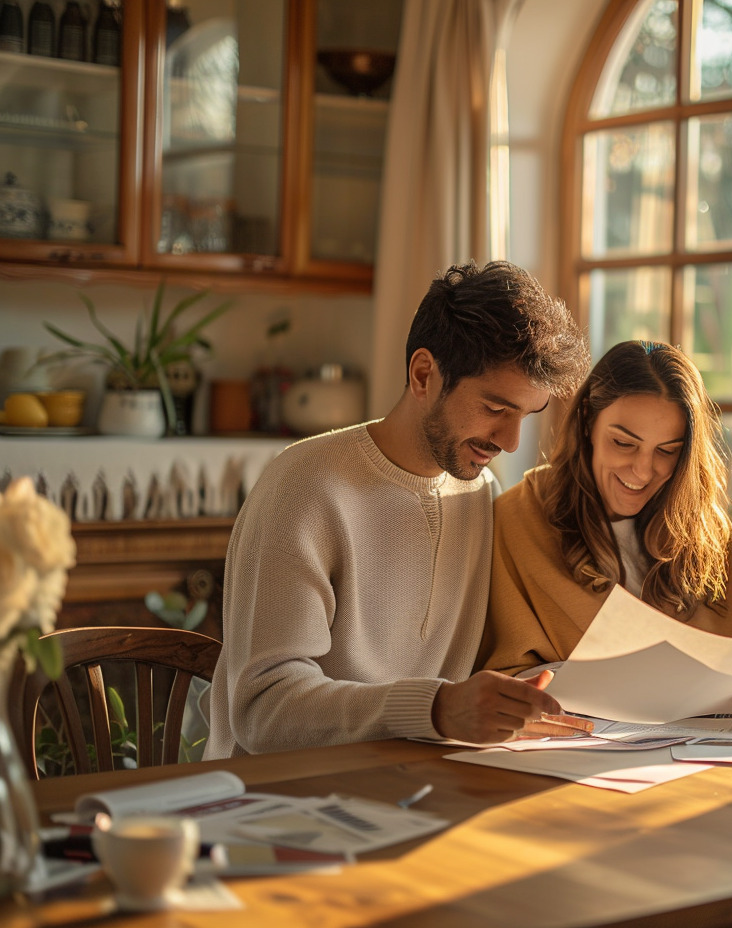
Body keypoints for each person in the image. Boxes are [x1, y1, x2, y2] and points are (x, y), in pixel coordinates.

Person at [205, 261, 592, 759]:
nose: (511, 442)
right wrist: (436, 709)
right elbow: (264, 711)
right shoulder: (304, 487)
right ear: (424, 374)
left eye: (525, 416)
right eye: (496, 409)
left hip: (413, 788)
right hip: (277, 800)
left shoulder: (480, 495)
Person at [478, 340, 732, 732]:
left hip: (709, 765)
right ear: (589, 420)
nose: (642, 471)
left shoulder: (707, 527)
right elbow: (492, 674)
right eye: (623, 443)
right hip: (573, 762)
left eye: (668, 451)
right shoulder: (519, 519)